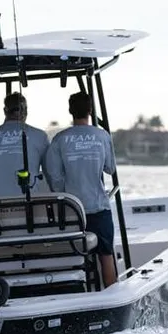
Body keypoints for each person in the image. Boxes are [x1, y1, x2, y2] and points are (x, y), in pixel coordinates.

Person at [44, 91, 117, 288]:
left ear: (70, 111)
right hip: (98, 207)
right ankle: (111, 293)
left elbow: (54, 176)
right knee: (106, 255)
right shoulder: (102, 135)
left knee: (72, 254)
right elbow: (110, 168)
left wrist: (67, 194)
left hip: (72, 211)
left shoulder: (60, 139)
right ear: (90, 110)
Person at [0, 92, 50, 198]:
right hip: (28, 202)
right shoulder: (39, 135)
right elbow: (50, 171)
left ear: (5, 111)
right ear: (25, 111)